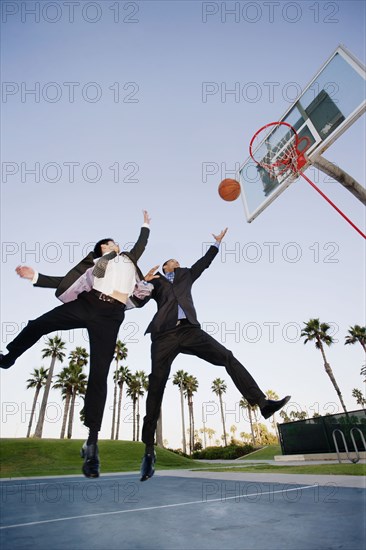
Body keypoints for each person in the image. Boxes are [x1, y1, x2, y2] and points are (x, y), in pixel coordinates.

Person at [0, 210, 151, 478]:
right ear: (100, 250)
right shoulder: (97, 265)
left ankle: (92, 443)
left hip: (111, 315)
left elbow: (140, 245)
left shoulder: (128, 260)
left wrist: (145, 226)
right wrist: (36, 276)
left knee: (100, 374)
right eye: (105, 244)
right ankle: (8, 357)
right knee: (38, 324)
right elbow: (65, 282)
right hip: (88, 303)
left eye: (112, 243)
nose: (111, 245)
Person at [138, 228, 290, 481]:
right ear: (165, 267)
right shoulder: (156, 281)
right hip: (163, 336)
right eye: (172, 261)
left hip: (190, 331)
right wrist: (144, 281)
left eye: (178, 261)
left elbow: (203, 264)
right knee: (156, 385)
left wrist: (216, 245)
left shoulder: (186, 275)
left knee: (227, 356)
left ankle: (262, 403)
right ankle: (148, 449)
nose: (177, 262)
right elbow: (139, 300)